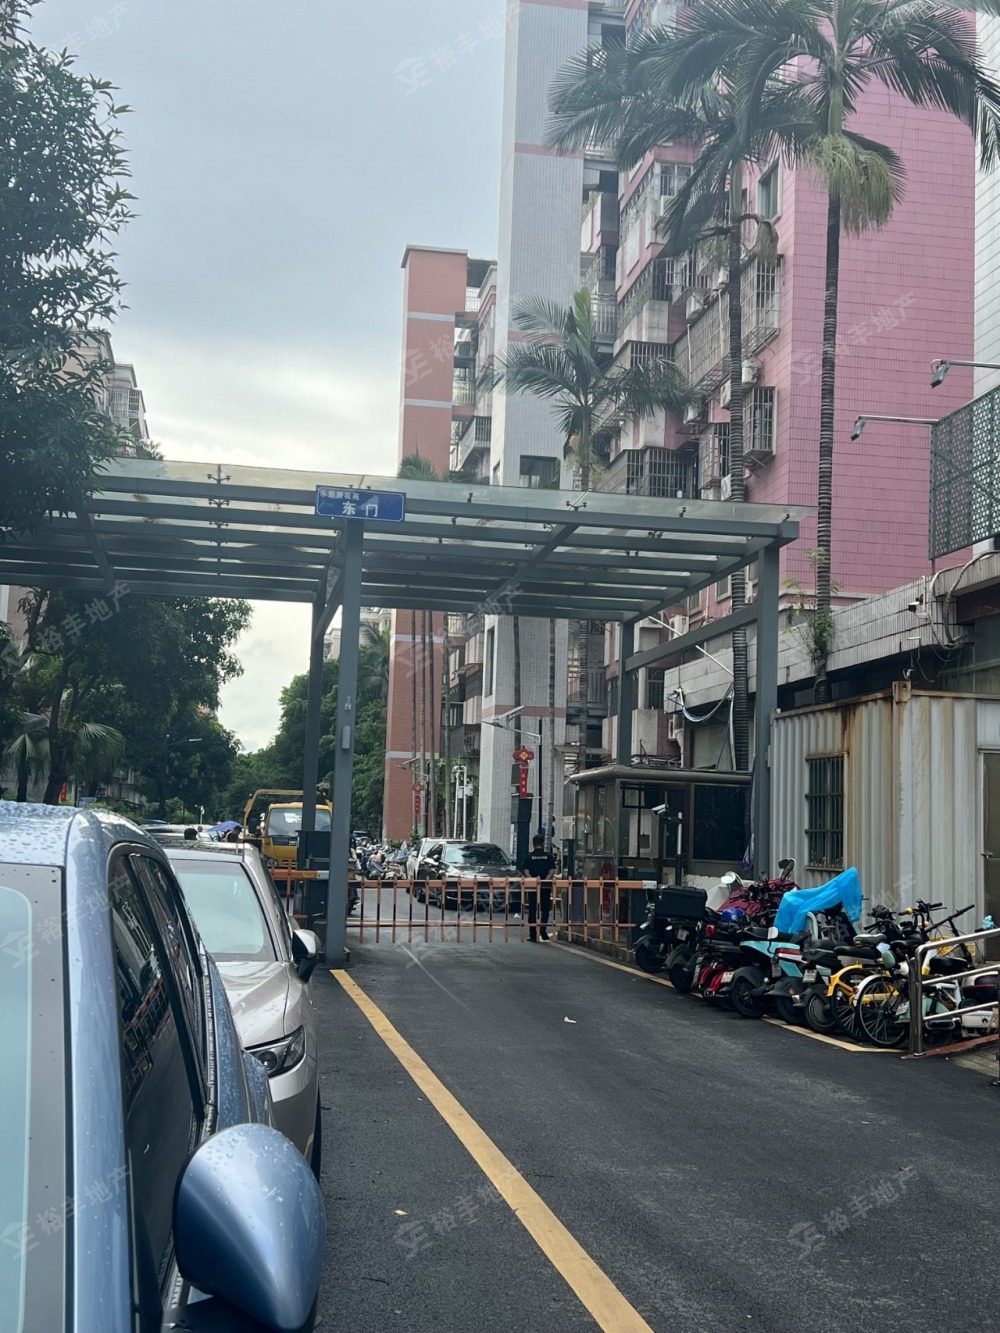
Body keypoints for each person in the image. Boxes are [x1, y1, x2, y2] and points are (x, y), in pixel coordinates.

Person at [521, 834, 556, 942]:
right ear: (543, 843)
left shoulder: (529, 857)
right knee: (545, 909)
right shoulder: (548, 856)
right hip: (545, 886)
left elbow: (526, 871)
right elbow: (552, 871)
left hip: (533, 887)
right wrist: (545, 880)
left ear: (533, 843)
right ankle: (543, 928)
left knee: (532, 909)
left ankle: (533, 934)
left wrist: (532, 880)